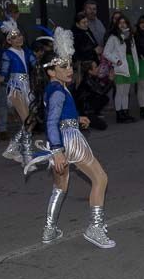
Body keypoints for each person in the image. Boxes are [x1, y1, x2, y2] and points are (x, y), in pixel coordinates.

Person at [38, 28, 115, 249]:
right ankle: (95, 228)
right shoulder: (58, 92)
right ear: (51, 71)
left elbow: (59, 117)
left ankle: (49, 229)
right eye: (63, 67)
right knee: (100, 178)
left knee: (60, 185)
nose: (70, 69)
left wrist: (76, 117)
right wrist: (57, 150)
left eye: (70, 65)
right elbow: (51, 122)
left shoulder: (56, 88)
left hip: (63, 139)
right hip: (68, 141)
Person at [0, 18, 36, 163]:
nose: (18, 38)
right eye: (14, 37)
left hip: (27, 87)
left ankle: (13, 148)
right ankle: (28, 157)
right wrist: (0, 77)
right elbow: (4, 71)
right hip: (15, 88)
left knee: (30, 122)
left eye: (19, 35)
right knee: (27, 121)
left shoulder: (26, 52)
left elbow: (35, 64)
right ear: (9, 41)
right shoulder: (8, 53)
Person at [103, 13, 139, 123]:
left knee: (126, 91)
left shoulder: (130, 36)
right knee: (119, 91)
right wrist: (116, 60)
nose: (122, 25)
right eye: (120, 23)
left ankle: (125, 112)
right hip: (120, 66)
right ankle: (119, 115)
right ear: (117, 25)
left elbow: (134, 52)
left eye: (124, 22)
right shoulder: (113, 37)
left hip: (129, 65)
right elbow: (106, 52)